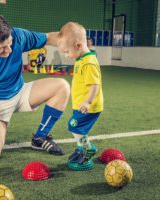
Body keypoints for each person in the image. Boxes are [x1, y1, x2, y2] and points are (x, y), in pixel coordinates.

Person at [0, 14, 70, 159]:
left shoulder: (18, 35)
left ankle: (40, 138)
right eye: (2, 48)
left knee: (62, 86)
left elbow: (48, 37)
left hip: (21, 92)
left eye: (9, 44)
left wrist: (68, 42)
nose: (9, 50)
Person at [57, 22, 103, 167]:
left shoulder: (89, 62)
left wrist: (88, 102)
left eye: (66, 51)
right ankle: (80, 149)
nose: (66, 55)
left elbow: (94, 85)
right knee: (78, 128)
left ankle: (89, 149)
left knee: (74, 126)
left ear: (78, 45)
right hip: (80, 104)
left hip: (89, 106)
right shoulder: (81, 59)